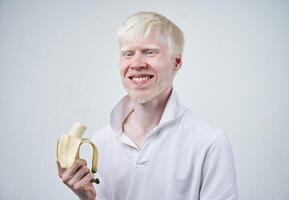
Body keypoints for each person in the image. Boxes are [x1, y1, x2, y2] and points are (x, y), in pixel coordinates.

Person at [57, 11, 238, 200]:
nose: (136, 64)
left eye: (150, 52)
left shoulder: (209, 143)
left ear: (176, 61)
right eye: (128, 54)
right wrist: (87, 198)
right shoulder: (101, 142)